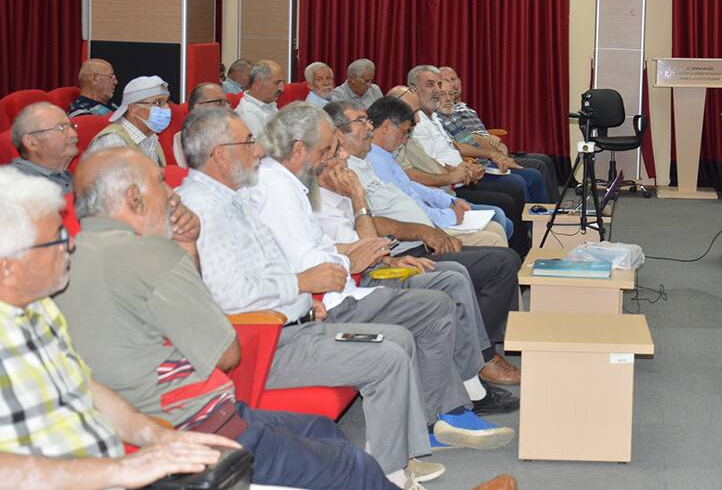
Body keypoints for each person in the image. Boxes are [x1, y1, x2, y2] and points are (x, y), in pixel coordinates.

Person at [175, 108, 504, 484]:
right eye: (248, 142)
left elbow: (278, 268)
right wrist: (300, 287)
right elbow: (231, 294)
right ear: (220, 154)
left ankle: (396, 461)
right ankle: (392, 474)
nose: (259, 150)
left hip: (296, 320)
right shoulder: (204, 209)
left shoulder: (232, 198)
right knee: (390, 353)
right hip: (264, 342)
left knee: (399, 340)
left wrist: (304, 295)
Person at [56, 148, 400, 489]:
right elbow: (226, 354)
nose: (172, 193)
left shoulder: (63, 260)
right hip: (197, 426)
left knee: (321, 430)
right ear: (135, 199)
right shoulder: (151, 253)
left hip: (137, 425)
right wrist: (178, 253)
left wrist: (187, 247)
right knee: (353, 465)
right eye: (161, 182)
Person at [248, 102, 517, 440]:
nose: (336, 158)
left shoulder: (309, 181)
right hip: (332, 297)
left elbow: (348, 246)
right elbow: (320, 260)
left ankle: (452, 406)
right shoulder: (286, 188)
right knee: (440, 298)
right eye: (329, 151)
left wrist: (375, 249)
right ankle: (449, 409)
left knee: (447, 287)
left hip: (355, 278)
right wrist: (359, 228)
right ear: (301, 149)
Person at [0, 165, 238, 489]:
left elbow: (87, 388)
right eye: (57, 239)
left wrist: (155, 435)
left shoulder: (40, 308)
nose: (69, 246)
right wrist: (120, 469)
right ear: (7, 268)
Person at [361, 97, 508, 248]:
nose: (405, 139)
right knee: (494, 238)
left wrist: (449, 201)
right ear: (386, 127)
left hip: (429, 216)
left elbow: (410, 186)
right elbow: (407, 210)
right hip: (418, 232)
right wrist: (450, 215)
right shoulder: (374, 162)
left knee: (495, 228)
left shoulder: (384, 155)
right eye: (404, 132)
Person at [437, 66, 560, 201]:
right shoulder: (438, 119)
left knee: (536, 172)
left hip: (487, 158)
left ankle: (549, 211)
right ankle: (535, 214)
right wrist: (492, 154)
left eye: (451, 94)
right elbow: (457, 147)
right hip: (472, 165)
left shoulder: (453, 115)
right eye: (443, 95)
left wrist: (499, 153)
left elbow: (475, 137)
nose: (448, 99)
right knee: (524, 178)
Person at [86, 76, 171, 166]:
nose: (166, 108)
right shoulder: (113, 143)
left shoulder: (151, 138)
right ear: (133, 109)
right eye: (157, 102)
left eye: (166, 102)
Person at [8, 102, 79, 193]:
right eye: (61, 128)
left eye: (71, 126)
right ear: (31, 142)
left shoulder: (68, 176)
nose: (74, 134)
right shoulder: (16, 187)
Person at [174, 82, 231, 167]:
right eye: (219, 103)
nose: (227, 108)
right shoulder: (182, 139)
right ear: (198, 107)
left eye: (227, 103)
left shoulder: (232, 135)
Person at [234, 60, 283, 138]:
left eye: (283, 83)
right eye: (276, 83)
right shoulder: (247, 114)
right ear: (258, 83)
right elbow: (260, 146)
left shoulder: (269, 104)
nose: (282, 88)